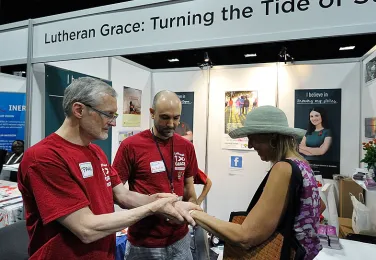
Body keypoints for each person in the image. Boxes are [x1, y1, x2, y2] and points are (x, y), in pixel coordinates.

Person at [17, 77, 199, 260]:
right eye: (108, 114)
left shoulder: (96, 152)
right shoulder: (44, 158)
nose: (112, 123)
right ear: (79, 110)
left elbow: (123, 195)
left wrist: (162, 201)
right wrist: (153, 208)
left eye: (115, 116)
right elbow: (85, 228)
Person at [189, 106, 325, 260]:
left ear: (272, 137)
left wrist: (193, 213)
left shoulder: (283, 168)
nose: (250, 145)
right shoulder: (302, 164)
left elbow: (245, 237)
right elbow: (319, 205)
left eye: (252, 138)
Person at [113, 90, 200, 260]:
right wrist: (153, 206)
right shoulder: (131, 146)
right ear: (152, 113)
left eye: (176, 118)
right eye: (165, 117)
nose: (171, 124)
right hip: (144, 243)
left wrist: (189, 212)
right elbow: (115, 193)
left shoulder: (186, 147)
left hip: (180, 240)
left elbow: (190, 191)